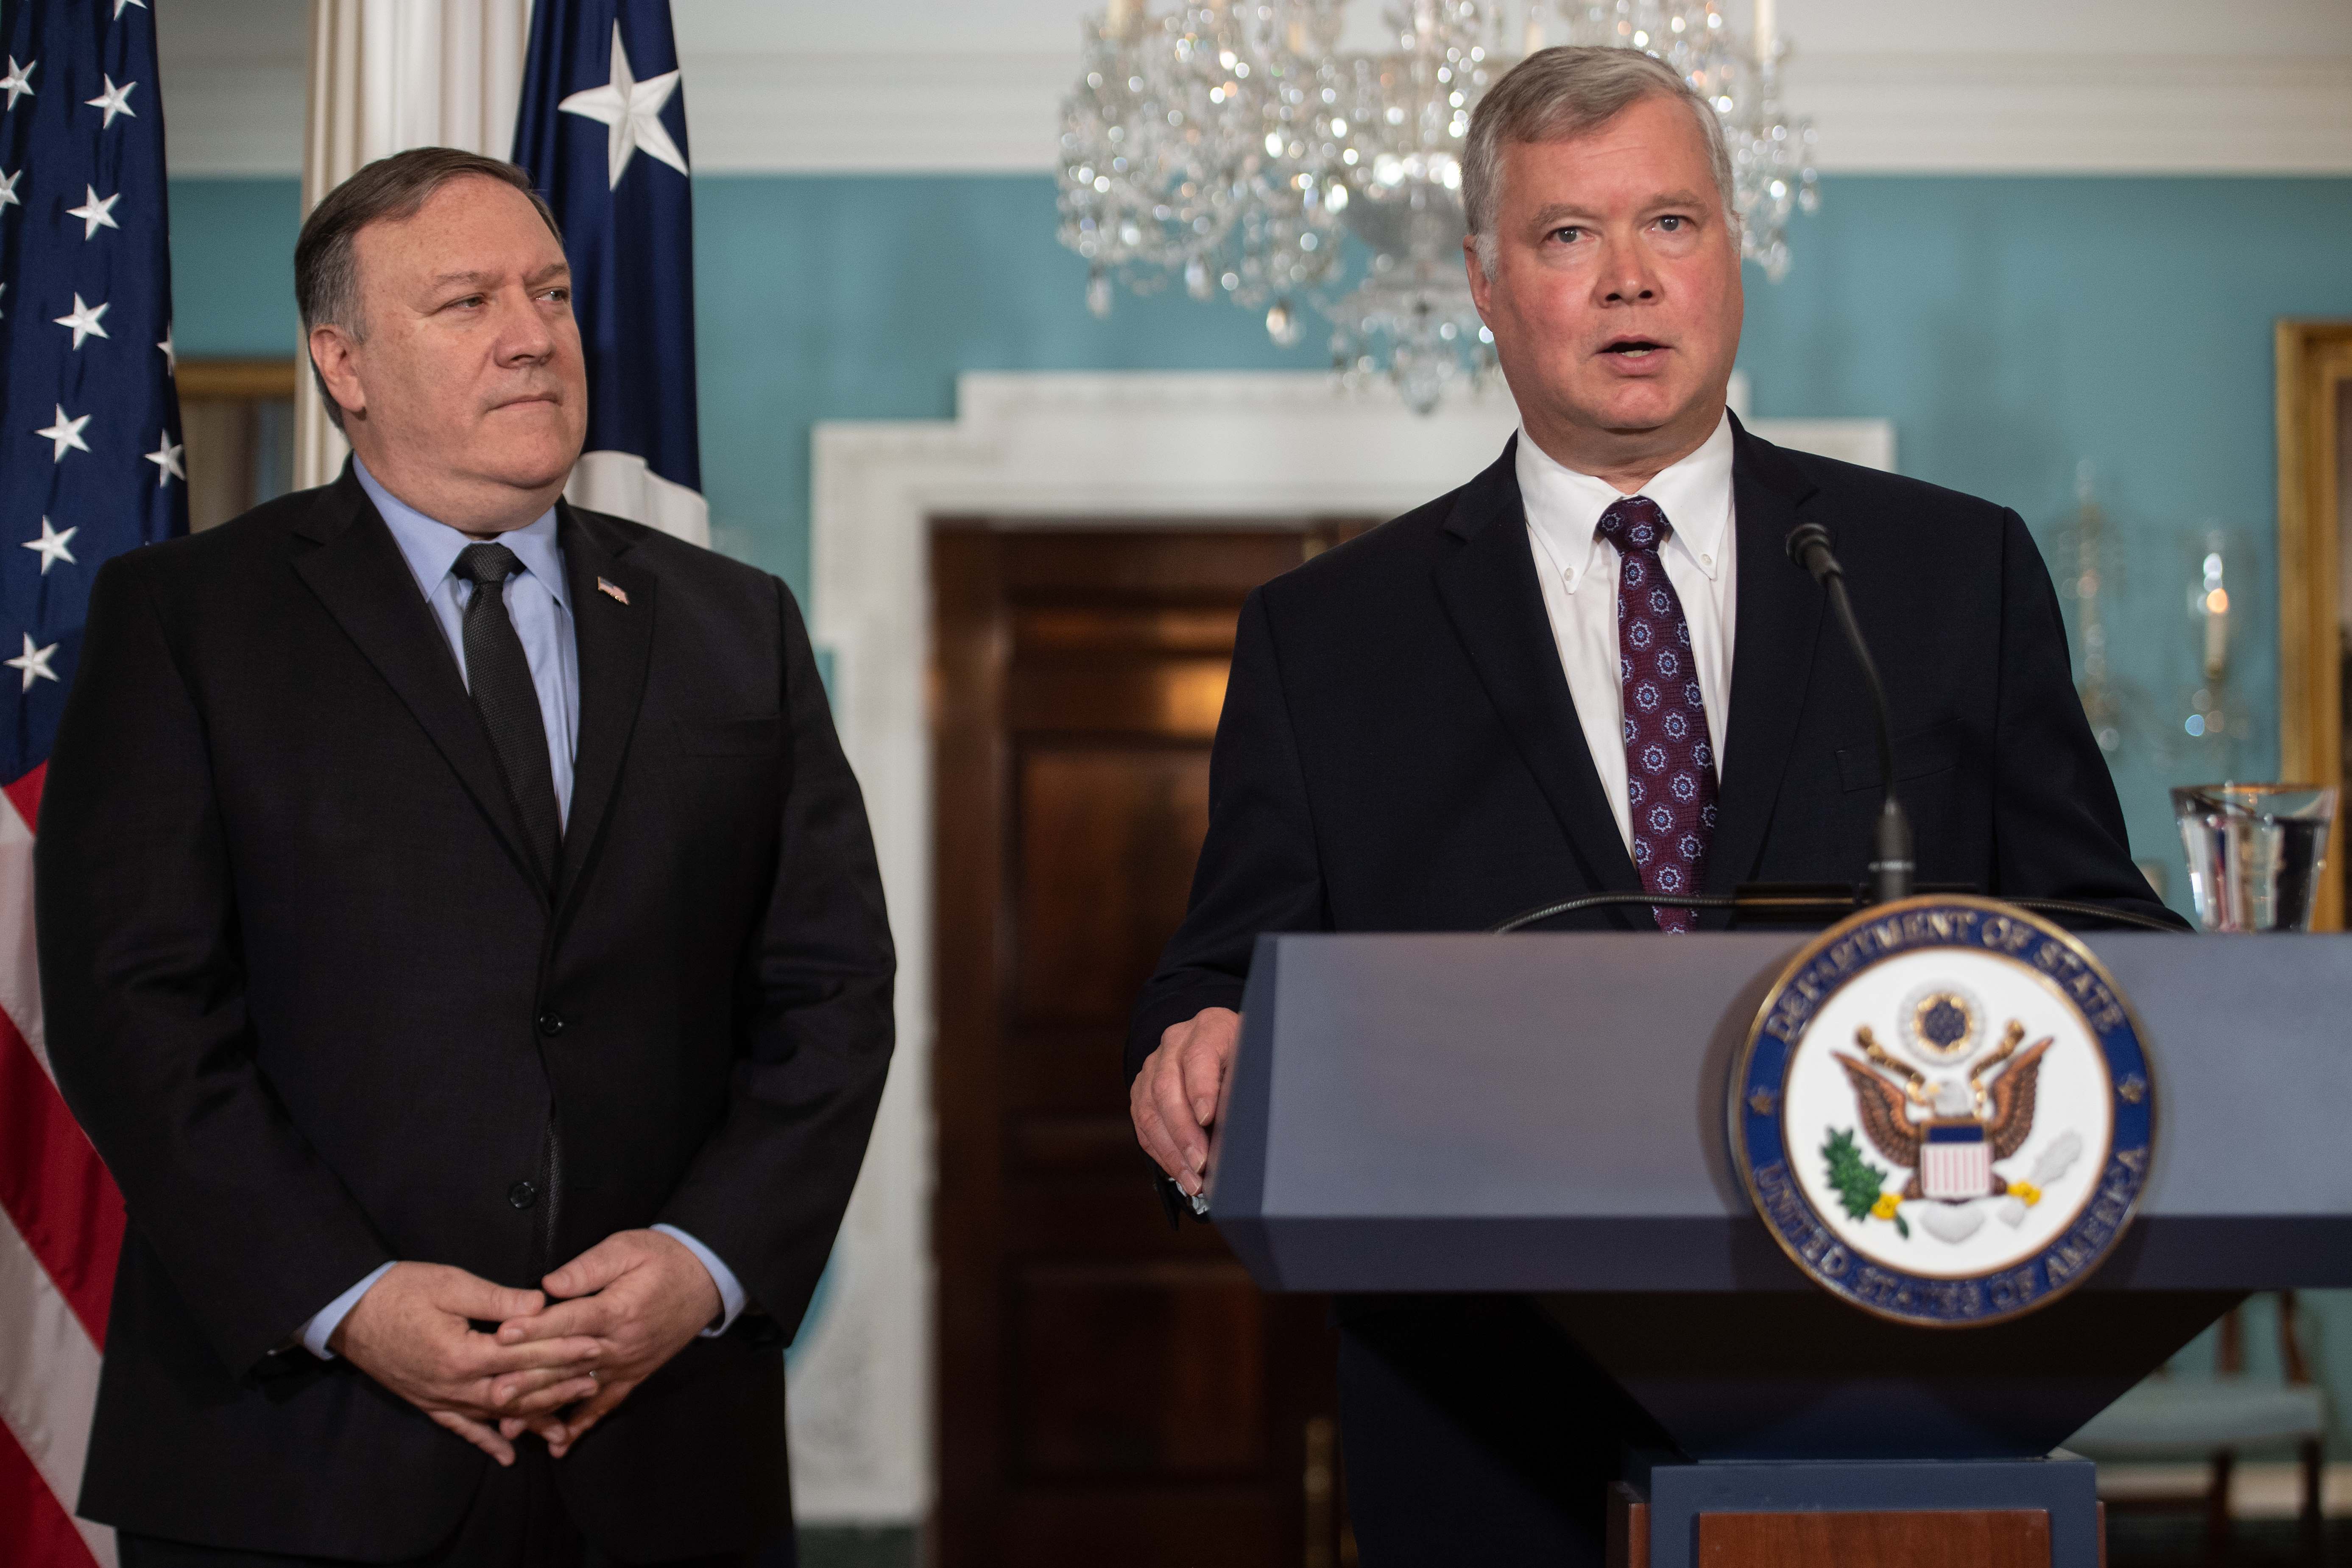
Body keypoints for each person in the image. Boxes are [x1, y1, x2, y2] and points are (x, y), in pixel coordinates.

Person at [1125, 46, 2178, 1565]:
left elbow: (2096, 930)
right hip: (1477, 1401)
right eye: (1567, 237)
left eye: (1669, 225)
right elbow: (1223, 968)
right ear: (1486, 284)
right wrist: (1197, 1040)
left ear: (1731, 259)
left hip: (1889, 1369)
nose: (1629, 281)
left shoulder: (1948, 573)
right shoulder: (1328, 635)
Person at [39, 148, 894, 1568]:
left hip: (661, 1450)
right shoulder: (188, 620)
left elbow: (830, 990)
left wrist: (705, 1264)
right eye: (467, 301)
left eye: (551, 293)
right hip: (294, 1454)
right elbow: (136, 1006)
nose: (533, 332)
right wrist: (347, 1297)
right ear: (344, 361)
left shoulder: (731, 621)